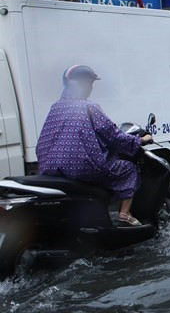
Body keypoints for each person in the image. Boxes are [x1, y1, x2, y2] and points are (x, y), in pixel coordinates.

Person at [36, 65, 153, 225]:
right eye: (90, 84)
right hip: (81, 168)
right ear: (81, 85)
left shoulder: (56, 107)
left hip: (50, 168)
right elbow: (114, 136)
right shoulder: (89, 107)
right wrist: (141, 140)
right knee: (128, 169)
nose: (91, 88)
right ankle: (125, 213)